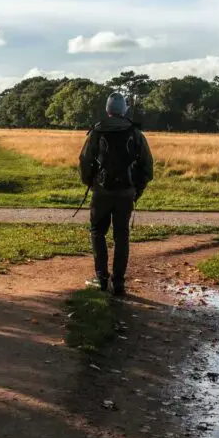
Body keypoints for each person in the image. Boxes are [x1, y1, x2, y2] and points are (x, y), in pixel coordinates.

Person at [78, 92, 154, 297]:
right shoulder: (135, 133)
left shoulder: (96, 132)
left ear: (107, 110)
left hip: (101, 192)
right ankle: (118, 283)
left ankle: (101, 279)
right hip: (126, 194)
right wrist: (136, 190)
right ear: (124, 111)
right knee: (122, 237)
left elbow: (85, 162)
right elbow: (147, 168)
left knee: (97, 232)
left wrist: (92, 183)